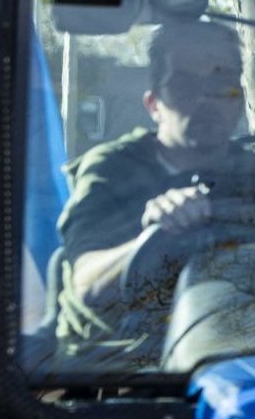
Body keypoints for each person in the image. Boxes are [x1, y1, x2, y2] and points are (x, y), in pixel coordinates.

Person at [57, 19, 255, 368]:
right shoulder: (112, 168)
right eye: (185, 85)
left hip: (234, 356)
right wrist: (155, 236)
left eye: (222, 83)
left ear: (239, 97)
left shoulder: (249, 172)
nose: (206, 100)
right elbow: (86, 281)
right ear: (154, 104)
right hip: (120, 369)